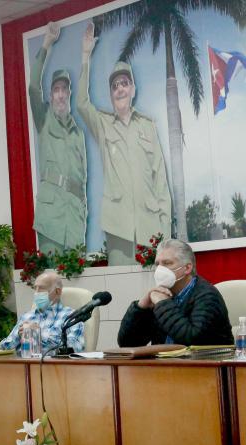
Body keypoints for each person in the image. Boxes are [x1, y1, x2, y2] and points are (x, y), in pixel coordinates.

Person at [78, 22, 172, 265]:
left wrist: (165, 234)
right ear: (111, 93)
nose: (119, 89)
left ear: (133, 89)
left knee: (155, 287)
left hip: (150, 227)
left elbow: (160, 179)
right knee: (120, 285)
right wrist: (86, 56)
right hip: (118, 227)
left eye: (124, 83)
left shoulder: (148, 126)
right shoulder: (103, 124)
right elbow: (81, 104)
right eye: (115, 86)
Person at [30, 21, 87, 254]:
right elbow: (33, 87)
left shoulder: (78, 133)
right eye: (56, 90)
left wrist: (83, 211)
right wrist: (46, 44)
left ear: (69, 94)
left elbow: (83, 178)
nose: (61, 95)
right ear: (51, 95)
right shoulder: (43, 118)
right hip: (51, 216)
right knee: (52, 273)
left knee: (77, 274)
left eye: (64, 89)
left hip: (74, 219)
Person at [118, 239, 233, 346]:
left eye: (167, 263)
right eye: (157, 264)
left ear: (187, 268)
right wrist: (140, 308)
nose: (160, 270)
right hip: (163, 361)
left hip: (203, 361)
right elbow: (127, 343)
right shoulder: (161, 296)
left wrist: (163, 304)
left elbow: (192, 340)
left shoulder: (207, 296)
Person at [0, 271, 84, 353]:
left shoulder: (71, 316)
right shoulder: (26, 317)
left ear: (57, 291)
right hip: (24, 362)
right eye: (35, 288)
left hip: (52, 363)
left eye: (41, 288)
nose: (36, 293)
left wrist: (39, 335)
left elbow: (75, 348)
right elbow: (3, 347)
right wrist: (18, 335)